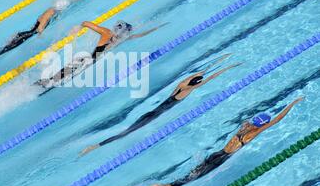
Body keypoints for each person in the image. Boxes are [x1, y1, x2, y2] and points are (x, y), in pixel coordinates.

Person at [140, 97, 304, 186]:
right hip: (221, 159)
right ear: (263, 125)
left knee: (192, 174)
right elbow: (277, 120)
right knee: (189, 180)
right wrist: (291, 104)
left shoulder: (244, 127)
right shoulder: (252, 133)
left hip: (217, 153)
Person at [80, 55, 240, 156]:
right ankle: (94, 146)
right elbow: (210, 77)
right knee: (126, 133)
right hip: (153, 116)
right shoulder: (190, 89)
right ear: (195, 84)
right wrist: (227, 67)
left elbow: (204, 72)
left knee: (126, 131)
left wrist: (222, 59)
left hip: (151, 112)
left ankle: (95, 144)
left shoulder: (181, 85)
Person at [36, 20, 168, 88]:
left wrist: (156, 28)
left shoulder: (120, 39)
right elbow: (86, 23)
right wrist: (76, 29)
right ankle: (42, 83)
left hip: (88, 61)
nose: (122, 35)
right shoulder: (106, 33)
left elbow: (138, 35)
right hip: (85, 60)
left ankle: (45, 82)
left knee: (61, 75)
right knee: (60, 75)